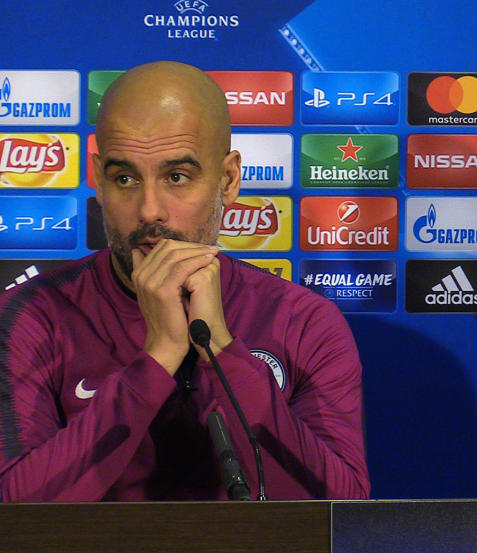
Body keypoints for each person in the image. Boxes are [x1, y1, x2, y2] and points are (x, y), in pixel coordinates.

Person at [0, 61, 370, 501]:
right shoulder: (28, 315)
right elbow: (14, 514)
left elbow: (341, 510)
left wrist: (220, 350)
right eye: (125, 178)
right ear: (99, 181)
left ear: (228, 180)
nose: (150, 210)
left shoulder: (304, 320)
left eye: (177, 177)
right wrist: (159, 357)